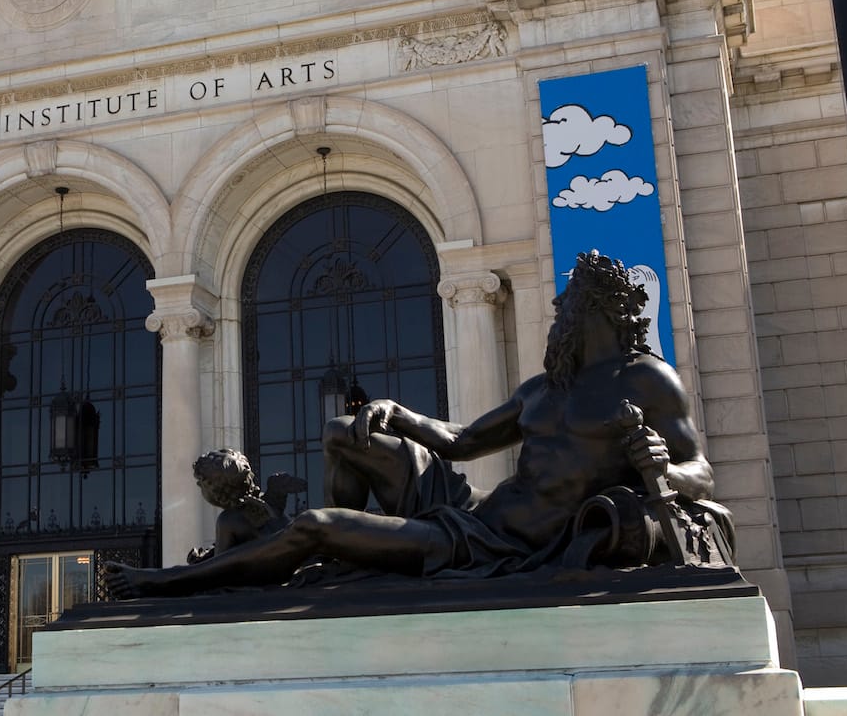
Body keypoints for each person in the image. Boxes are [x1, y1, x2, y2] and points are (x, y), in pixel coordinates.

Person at [103, 251, 716, 598]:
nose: (556, 316)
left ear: (591, 311)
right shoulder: (542, 391)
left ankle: (171, 581)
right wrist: (397, 413)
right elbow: (463, 442)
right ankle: (340, 562)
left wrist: (663, 466)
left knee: (318, 523)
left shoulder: (646, 381)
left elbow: (701, 474)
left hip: (496, 548)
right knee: (345, 430)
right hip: (474, 513)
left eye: (565, 308)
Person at [187, 448, 305, 563]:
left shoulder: (227, 520)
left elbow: (217, 569)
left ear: (216, 491)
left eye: (201, 485)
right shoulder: (266, 501)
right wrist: (207, 555)